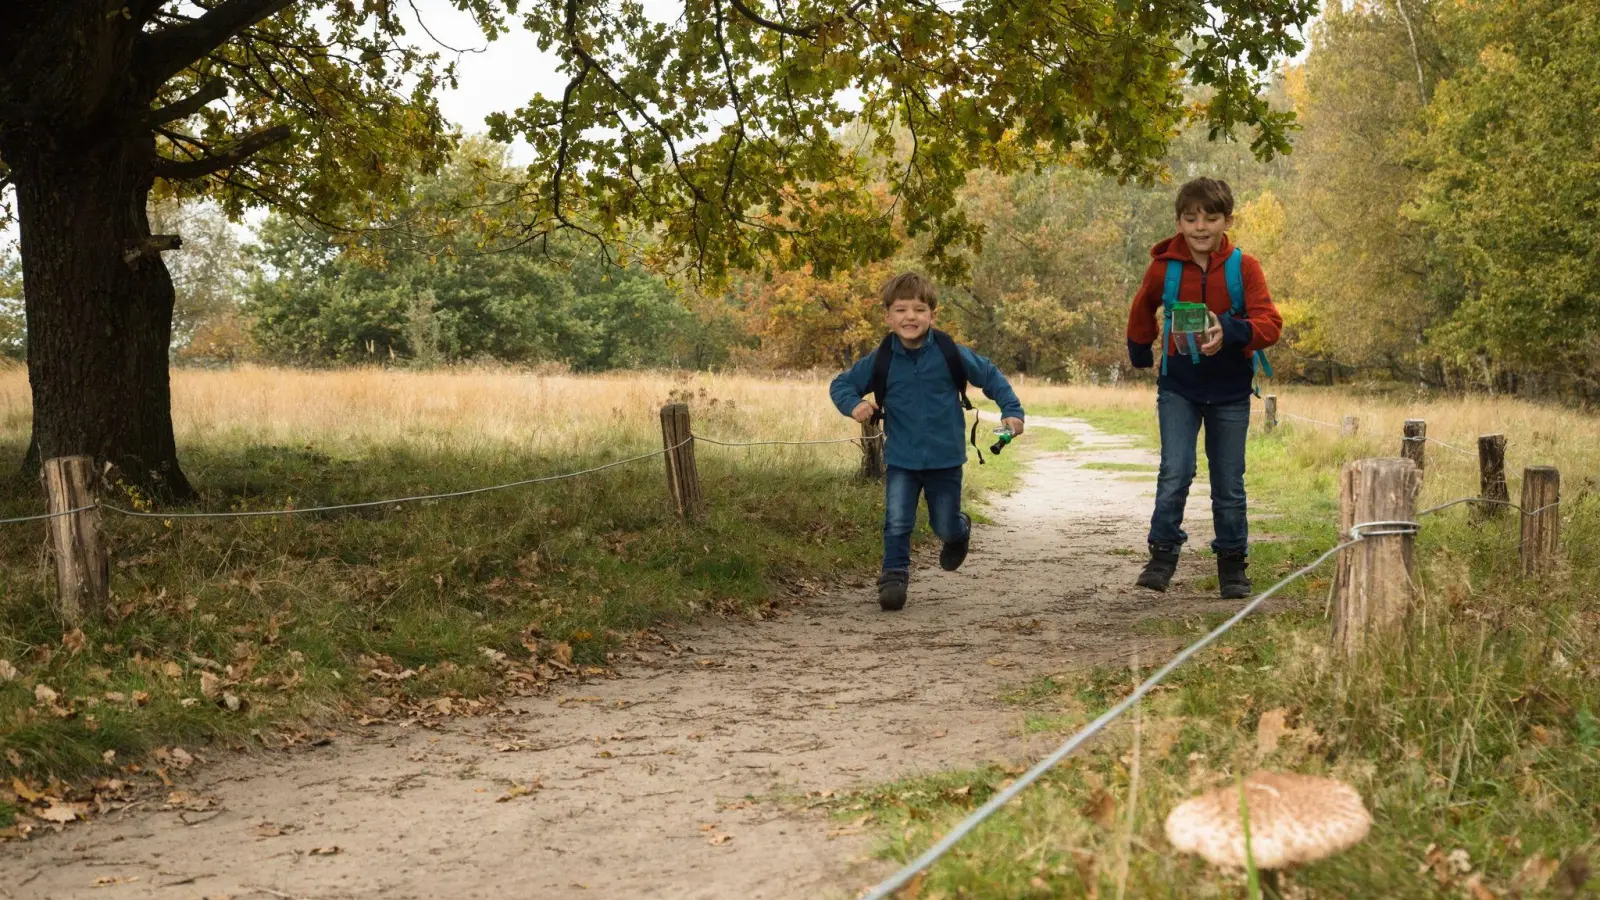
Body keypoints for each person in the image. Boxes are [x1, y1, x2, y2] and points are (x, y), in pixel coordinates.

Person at [1125, 177, 1283, 599]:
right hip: (1179, 386)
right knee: (1175, 470)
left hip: (1230, 390)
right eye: (1191, 218)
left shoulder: (1243, 267)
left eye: (1211, 218)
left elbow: (1271, 323)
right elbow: (1142, 305)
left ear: (1226, 220)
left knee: (1229, 482)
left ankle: (1232, 565)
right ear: (1178, 221)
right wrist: (1139, 348)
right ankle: (1161, 557)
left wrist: (1230, 331)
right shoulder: (1164, 267)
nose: (1200, 227)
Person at [831, 273, 1025, 611]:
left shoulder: (951, 352)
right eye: (901, 309)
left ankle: (959, 530)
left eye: (919, 309)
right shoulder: (882, 359)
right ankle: (893, 576)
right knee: (897, 519)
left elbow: (990, 375)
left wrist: (1012, 411)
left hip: (946, 459)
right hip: (902, 458)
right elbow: (841, 385)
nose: (910, 317)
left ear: (932, 315)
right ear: (887, 316)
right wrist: (856, 405)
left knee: (943, 524)